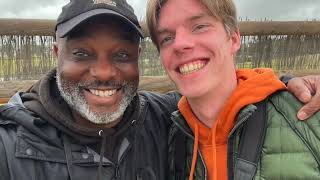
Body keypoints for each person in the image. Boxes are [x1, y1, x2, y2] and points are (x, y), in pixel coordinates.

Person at [0, 0, 319, 180]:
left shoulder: (161, 118)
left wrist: (285, 84)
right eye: (82, 53)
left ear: (234, 38)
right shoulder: (10, 145)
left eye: (122, 55)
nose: (104, 72)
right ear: (57, 55)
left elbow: (227, 95)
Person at [146, 0, 320, 180]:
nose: (179, 44)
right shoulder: (171, 136)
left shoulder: (306, 117)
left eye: (199, 26)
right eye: (167, 38)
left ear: (234, 39)